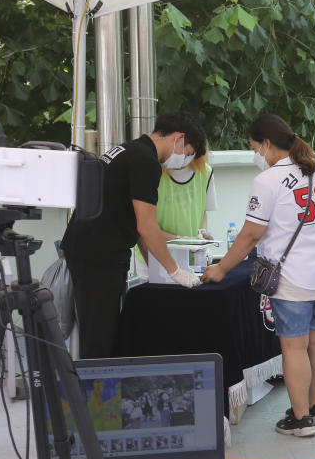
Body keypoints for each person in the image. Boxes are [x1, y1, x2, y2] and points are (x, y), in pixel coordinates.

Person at [202, 114, 315, 438]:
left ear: (266, 144)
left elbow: (251, 234)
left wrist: (221, 268)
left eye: (255, 147)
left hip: (294, 276)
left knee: (294, 348)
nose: (255, 155)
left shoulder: (267, 181)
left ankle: (300, 419)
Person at [61, 111, 207, 359]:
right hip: (100, 256)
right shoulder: (145, 161)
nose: (185, 160)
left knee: (99, 331)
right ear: (178, 138)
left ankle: (98, 390)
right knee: (100, 337)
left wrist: (154, 268)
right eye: (189, 153)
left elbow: (135, 222)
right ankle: (96, 395)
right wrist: (175, 271)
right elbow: (146, 226)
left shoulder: (128, 150)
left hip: (88, 249)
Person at [132, 148, 219, 273]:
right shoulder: (151, 173)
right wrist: (181, 239)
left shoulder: (205, 171)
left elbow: (203, 209)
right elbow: (144, 225)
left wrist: (202, 235)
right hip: (153, 258)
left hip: (190, 259)